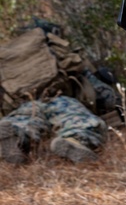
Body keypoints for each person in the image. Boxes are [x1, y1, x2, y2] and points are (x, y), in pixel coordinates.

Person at [0, 20, 119, 164]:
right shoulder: (62, 54)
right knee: (81, 124)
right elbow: (105, 96)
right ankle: (75, 141)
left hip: (26, 105)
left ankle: (18, 136)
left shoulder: (11, 61)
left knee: (23, 123)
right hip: (63, 101)